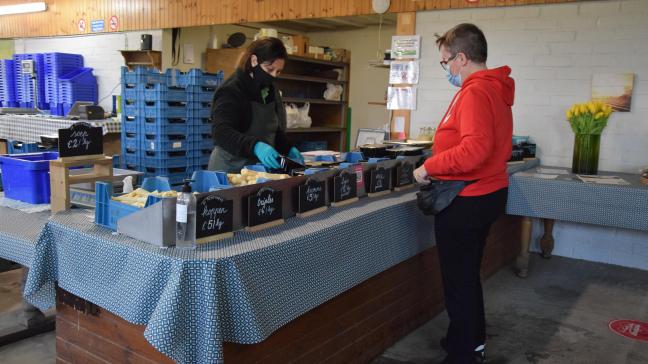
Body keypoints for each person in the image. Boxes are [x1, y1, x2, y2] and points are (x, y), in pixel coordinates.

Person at [413, 23, 514, 364]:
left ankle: (463, 354)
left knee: (459, 280)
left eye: (445, 63)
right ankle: (469, 339)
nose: (446, 70)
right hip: (487, 194)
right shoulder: (494, 89)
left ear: (461, 58)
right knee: (467, 275)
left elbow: (475, 150)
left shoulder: (475, 91)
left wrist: (429, 167)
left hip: (467, 200)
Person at [208, 37, 303, 173]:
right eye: (269, 69)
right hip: (230, 169)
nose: (273, 76)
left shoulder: (270, 90)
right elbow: (221, 132)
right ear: (254, 61)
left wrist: (288, 148)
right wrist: (256, 146)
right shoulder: (231, 90)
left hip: (258, 169)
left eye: (278, 71)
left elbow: (272, 129)